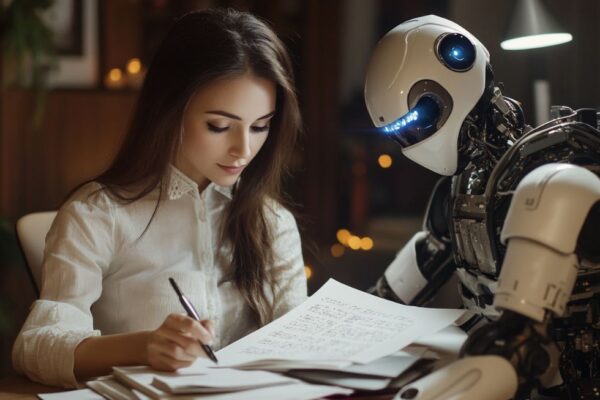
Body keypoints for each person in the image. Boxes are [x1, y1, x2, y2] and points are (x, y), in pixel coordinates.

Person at [12, 8, 307, 388]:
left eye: (260, 126)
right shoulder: (99, 214)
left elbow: (300, 342)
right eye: (219, 126)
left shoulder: (272, 222)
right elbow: (35, 347)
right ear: (170, 109)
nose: (244, 149)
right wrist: (143, 347)